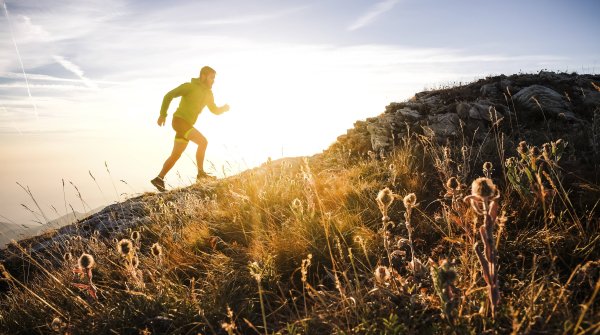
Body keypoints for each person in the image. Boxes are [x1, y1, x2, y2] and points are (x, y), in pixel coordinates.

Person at [151, 66, 230, 192]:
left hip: (186, 125)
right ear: (203, 76)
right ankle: (201, 174)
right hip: (179, 121)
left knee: (176, 155)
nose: (213, 80)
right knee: (203, 142)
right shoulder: (189, 87)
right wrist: (163, 114)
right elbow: (168, 95)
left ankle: (159, 179)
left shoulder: (209, 94)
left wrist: (223, 109)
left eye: (214, 78)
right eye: (211, 77)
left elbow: (214, 110)